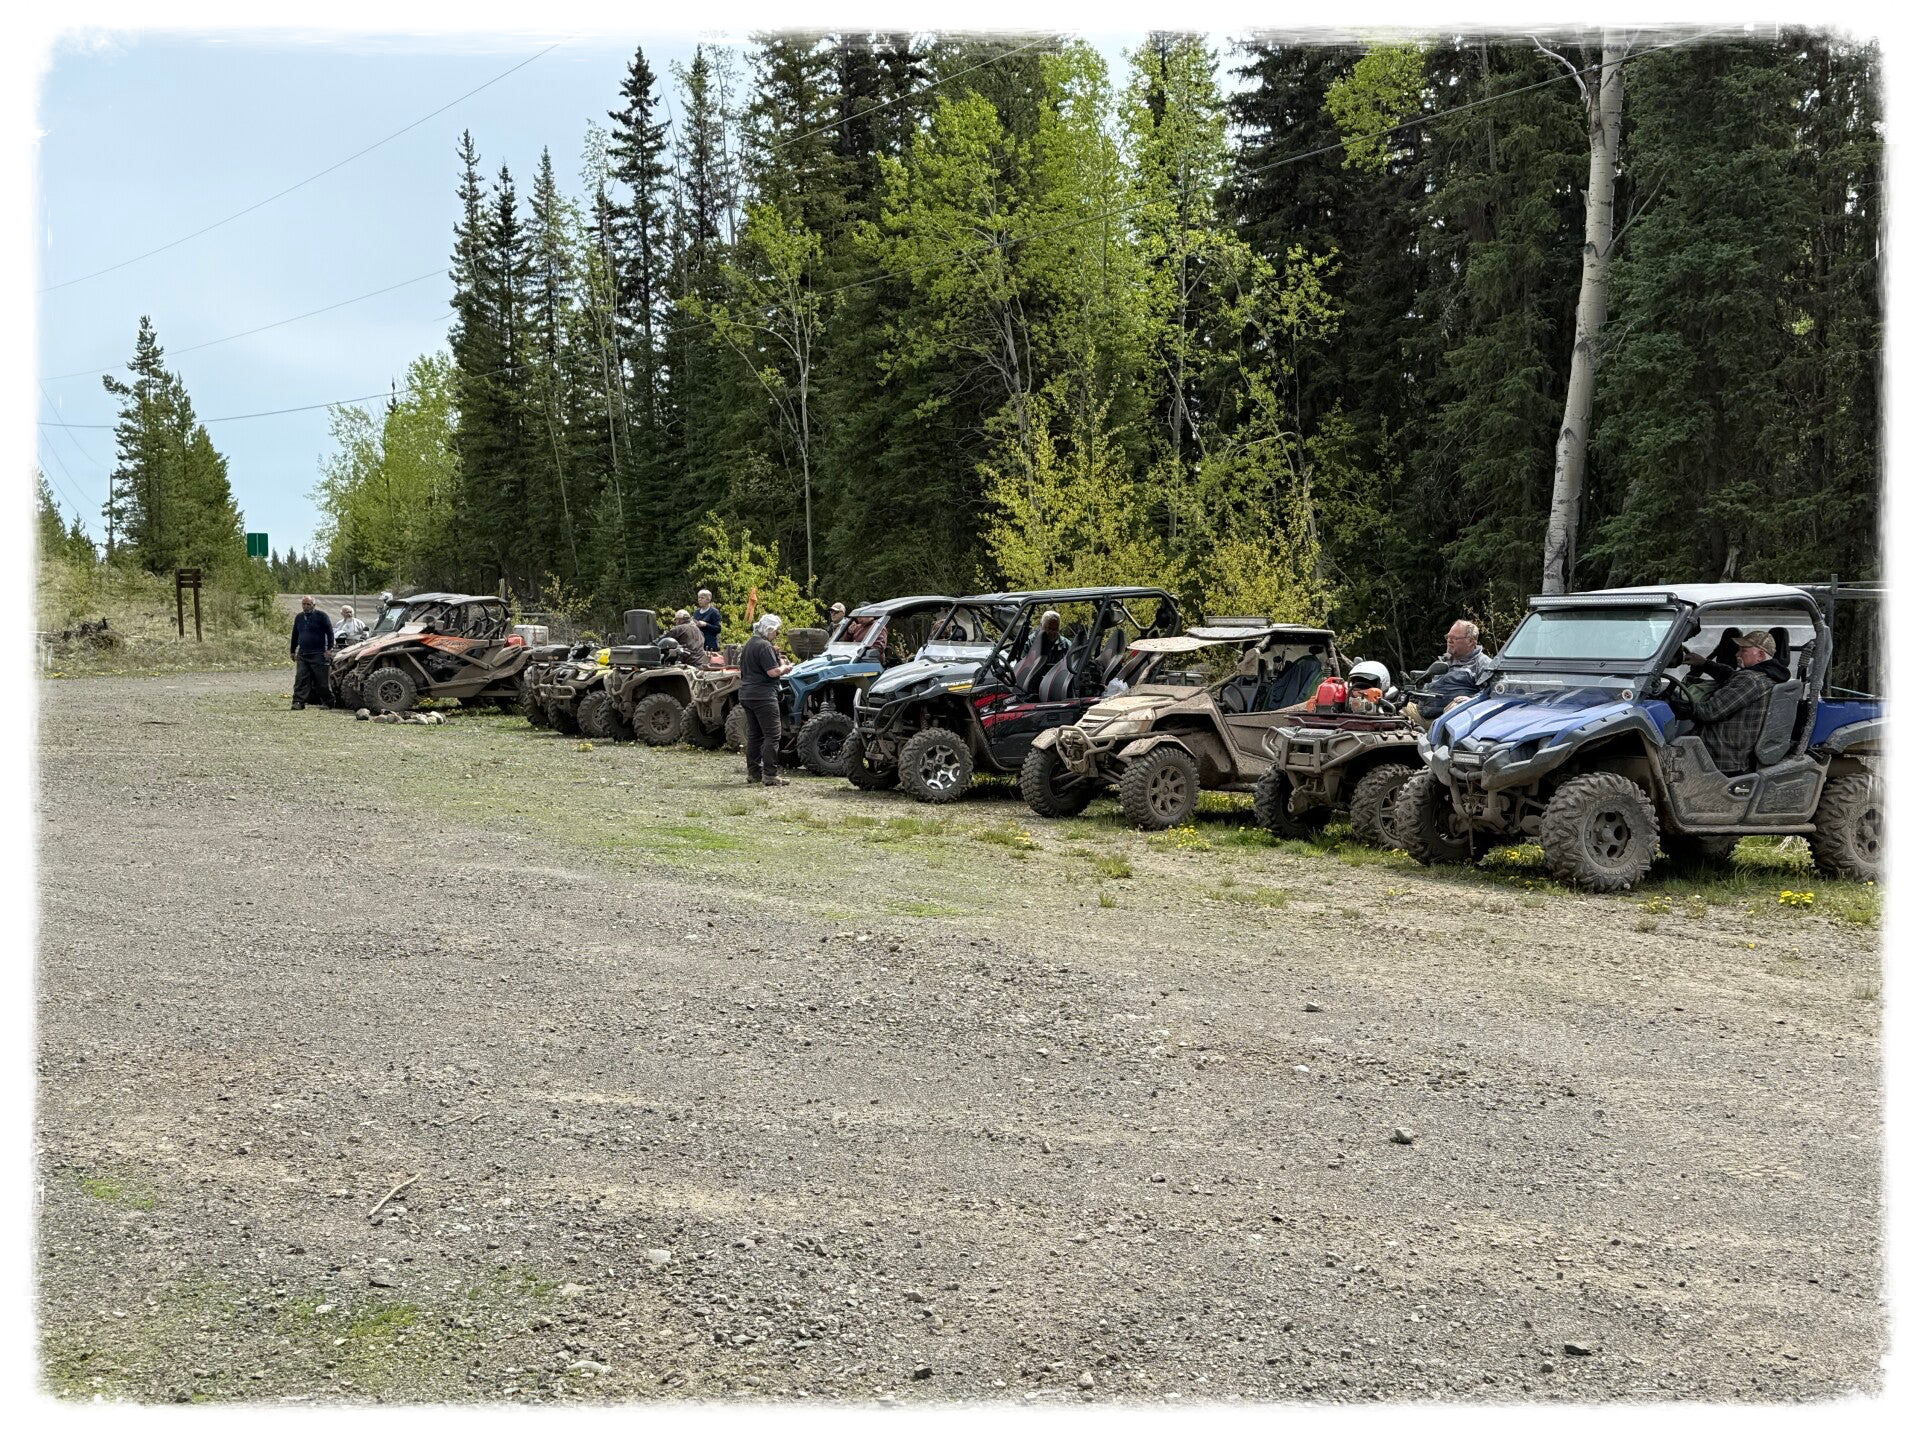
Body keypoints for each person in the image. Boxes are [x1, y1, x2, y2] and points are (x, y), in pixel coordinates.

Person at [1668, 629, 1791, 774]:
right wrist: (1704, 663)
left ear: (1760, 655)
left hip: (1718, 754)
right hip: (1732, 747)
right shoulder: (1767, 675)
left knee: (1663, 753)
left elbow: (1709, 712)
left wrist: (1679, 706)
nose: (1737, 654)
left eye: (1743, 651)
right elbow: (1731, 676)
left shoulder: (1750, 680)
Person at [739, 613, 794, 786]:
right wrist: (786, 668)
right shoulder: (764, 646)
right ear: (769, 629)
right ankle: (770, 774)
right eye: (776, 631)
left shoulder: (749, 644)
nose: (777, 634)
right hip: (763, 695)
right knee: (773, 735)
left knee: (755, 735)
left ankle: (754, 773)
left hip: (747, 693)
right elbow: (772, 672)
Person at [1411, 620, 1495, 720]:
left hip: (1450, 720)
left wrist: (1472, 700)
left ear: (1470, 641)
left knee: (1457, 706)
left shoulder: (1483, 664)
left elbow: (1493, 693)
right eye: (1448, 637)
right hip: (1421, 713)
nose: (1449, 641)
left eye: (1455, 638)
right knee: (1395, 707)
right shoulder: (1444, 660)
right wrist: (1416, 688)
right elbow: (1427, 686)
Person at [289, 595, 334, 710]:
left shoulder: (322, 616)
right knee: (300, 679)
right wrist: (292, 651)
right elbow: (295, 634)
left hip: (318, 653)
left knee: (322, 681)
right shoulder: (299, 617)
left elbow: (330, 633)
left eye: (308, 604)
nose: (305, 606)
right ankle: (298, 702)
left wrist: (329, 649)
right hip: (303, 654)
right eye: (304, 604)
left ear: (313, 605)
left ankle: (329, 702)